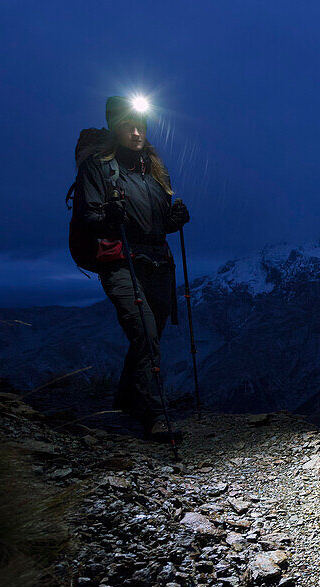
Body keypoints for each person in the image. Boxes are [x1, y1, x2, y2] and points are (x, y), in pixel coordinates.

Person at [72, 96, 190, 439]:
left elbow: (156, 224)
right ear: (114, 126)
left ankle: (126, 403)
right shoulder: (97, 168)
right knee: (144, 332)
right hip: (120, 262)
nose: (137, 132)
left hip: (157, 263)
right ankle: (155, 416)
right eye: (128, 125)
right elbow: (87, 217)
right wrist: (107, 216)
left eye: (142, 125)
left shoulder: (154, 169)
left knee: (148, 337)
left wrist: (174, 220)